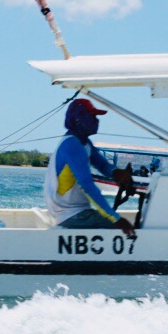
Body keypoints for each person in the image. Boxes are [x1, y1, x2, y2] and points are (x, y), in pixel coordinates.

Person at [46, 99, 137, 236]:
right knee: (123, 231)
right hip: (70, 214)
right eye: (92, 117)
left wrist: (116, 172)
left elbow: (102, 164)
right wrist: (115, 219)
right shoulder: (72, 145)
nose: (97, 121)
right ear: (78, 120)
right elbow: (87, 185)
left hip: (77, 211)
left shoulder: (84, 143)